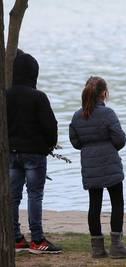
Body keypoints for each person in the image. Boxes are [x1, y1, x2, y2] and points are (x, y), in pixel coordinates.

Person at [69, 76, 126, 258]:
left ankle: (97, 248)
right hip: (110, 163)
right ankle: (117, 247)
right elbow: (120, 139)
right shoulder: (108, 114)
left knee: (94, 205)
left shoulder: (77, 115)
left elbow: (75, 141)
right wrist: (109, 147)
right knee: (117, 202)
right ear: (104, 93)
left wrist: (89, 149)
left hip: (89, 164)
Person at [7, 52, 61, 254]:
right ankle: (37, 239)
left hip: (12, 153)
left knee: (13, 197)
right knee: (35, 195)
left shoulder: (6, 95)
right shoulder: (38, 97)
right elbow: (50, 126)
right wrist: (48, 146)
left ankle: (15, 237)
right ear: (33, 73)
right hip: (34, 154)